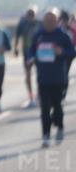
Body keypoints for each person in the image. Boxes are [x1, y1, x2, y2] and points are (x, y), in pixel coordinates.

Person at [28, 8, 76, 147]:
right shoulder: (39, 35)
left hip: (58, 77)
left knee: (57, 106)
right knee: (44, 108)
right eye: (47, 20)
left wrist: (61, 51)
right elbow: (31, 49)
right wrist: (31, 58)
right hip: (43, 77)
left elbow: (72, 52)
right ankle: (46, 135)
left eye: (52, 20)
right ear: (44, 21)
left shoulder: (63, 36)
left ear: (57, 21)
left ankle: (60, 126)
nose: (49, 23)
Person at [15, 6, 41, 109]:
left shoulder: (40, 24)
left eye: (32, 14)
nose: (30, 16)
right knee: (28, 75)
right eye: (29, 14)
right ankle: (31, 96)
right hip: (27, 52)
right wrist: (16, 49)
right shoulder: (22, 24)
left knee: (40, 74)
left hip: (39, 52)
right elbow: (17, 36)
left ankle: (39, 94)